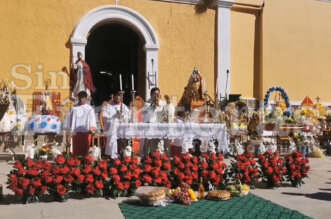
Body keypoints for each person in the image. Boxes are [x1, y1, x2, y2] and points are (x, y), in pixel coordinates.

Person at [67, 91, 97, 157]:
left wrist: (92, 129)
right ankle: (76, 164)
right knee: (76, 150)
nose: (81, 100)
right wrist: (70, 131)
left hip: (86, 132)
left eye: (83, 98)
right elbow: (70, 120)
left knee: (85, 150)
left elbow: (92, 119)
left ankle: (85, 165)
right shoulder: (74, 108)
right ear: (78, 98)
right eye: (80, 98)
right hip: (76, 132)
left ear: (86, 98)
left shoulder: (90, 108)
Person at [141, 87, 168, 156]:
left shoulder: (163, 103)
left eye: (157, 94)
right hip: (150, 128)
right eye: (154, 94)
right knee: (149, 146)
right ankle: (148, 158)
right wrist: (155, 105)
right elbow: (146, 116)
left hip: (160, 128)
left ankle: (160, 157)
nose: (156, 96)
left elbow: (166, 114)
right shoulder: (147, 104)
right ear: (151, 95)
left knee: (159, 145)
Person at [103, 92, 130, 159]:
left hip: (122, 128)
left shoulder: (124, 106)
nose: (117, 97)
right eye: (116, 96)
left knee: (123, 138)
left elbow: (128, 117)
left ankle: (123, 154)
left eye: (119, 96)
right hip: (113, 128)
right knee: (113, 136)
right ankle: (112, 155)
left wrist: (123, 116)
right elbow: (105, 117)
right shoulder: (109, 107)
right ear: (113, 96)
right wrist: (114, 117)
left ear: (121, 97)